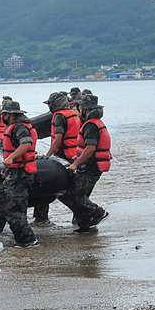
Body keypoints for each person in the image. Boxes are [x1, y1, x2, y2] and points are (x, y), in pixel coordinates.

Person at [0, 100, 39, 247]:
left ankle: (28, 240)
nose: (1, 116)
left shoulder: (20, 127)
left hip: (21, 174)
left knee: (14, 210)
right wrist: (8, 167)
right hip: (13, 172)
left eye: (3, 114)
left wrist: (11, 158)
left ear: (9, 114)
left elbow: (27, 143)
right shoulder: (14, 126)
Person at [59, 94, 111, 232]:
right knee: (78, 194)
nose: (78, 108)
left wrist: (76, 164)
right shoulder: (96, 122)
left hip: (91, 166)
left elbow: (91, 148)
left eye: (80, 106)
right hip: (92, 163)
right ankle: (86, 224)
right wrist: (79, 158)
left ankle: (98, 212)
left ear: (85, 109)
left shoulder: (91, 125)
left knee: (74, 194)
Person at [35, 91, 84, 223]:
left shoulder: (59, 117)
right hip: (74, 155)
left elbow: (58, 140)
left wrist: (47, 156)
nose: (49, 106)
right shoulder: (74, 113)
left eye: (50, 104)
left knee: (52, 188)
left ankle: (41, 218)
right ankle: (81, 216)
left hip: (64, 156)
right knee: (73, 189)